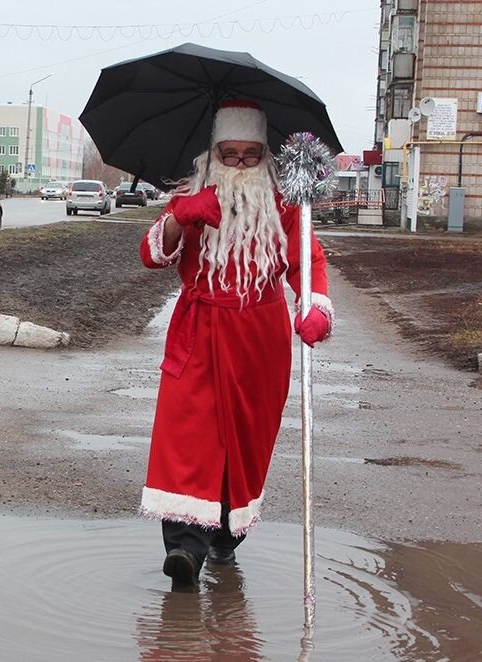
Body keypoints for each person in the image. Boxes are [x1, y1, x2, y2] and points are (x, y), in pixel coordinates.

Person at [139, 100, 334, 586]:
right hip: (199, 333)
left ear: (265, 154)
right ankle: (184, 549)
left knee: (243, 446)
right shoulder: (190, 194)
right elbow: (152, 255)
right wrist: (181, 217)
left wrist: (315, 308)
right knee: (188, 438)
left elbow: (308, 263)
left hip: (259, 342)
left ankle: (225, 540)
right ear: (214, 153)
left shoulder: (286, 202)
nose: (240, 164)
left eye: (250, 154)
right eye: (230, 154)